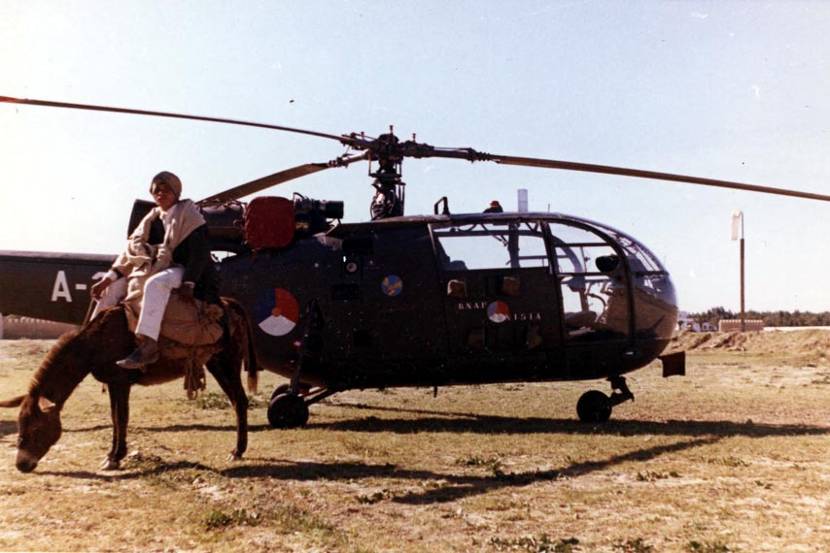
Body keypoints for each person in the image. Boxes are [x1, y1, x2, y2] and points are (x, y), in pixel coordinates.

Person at [91, 171, 219, 369]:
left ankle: (148, 345)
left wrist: (189, 282)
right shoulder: (151, 219)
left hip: (183, 270)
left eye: (166, 189)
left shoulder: (190, 215)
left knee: (155, 284)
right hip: (155, 268)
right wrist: (107, 279)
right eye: (156, 190)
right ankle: (91, 337)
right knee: (113, 287)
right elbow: (129, 254)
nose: (161, 194)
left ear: (176, 192)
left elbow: (200, 253)